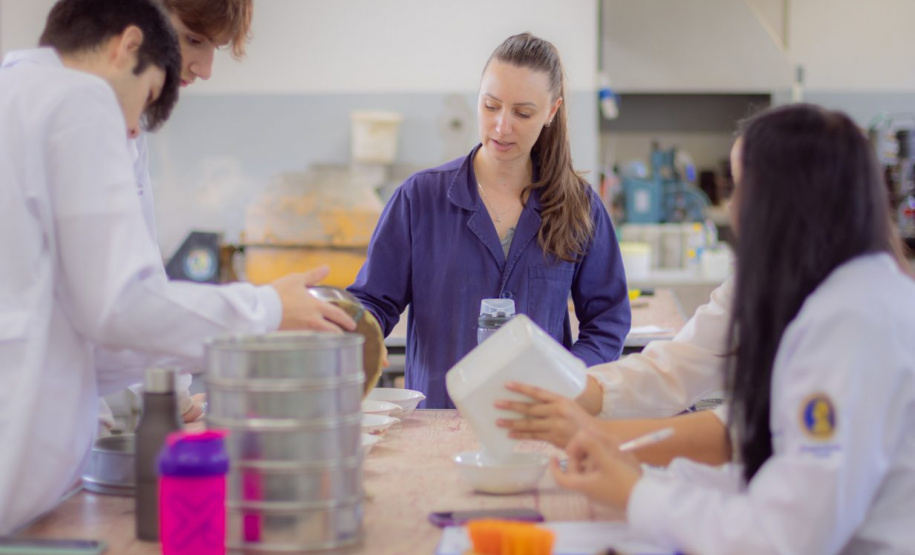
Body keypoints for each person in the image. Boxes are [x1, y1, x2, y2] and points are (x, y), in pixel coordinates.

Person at [0, 0, 351, 533]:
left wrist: (175, 387)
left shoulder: (23, 91)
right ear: (129, 45)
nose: (135, 133)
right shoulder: (80, 100)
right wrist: (267, 308)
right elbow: (119, 306)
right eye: (145, 97)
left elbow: (76, 320)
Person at [550, 104, 915, 554]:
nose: (735, 207)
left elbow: (785, 537)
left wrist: (637, 493)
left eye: (743, 189)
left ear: (785, 199)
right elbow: (772, 452)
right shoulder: (832, 289)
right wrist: (639, 470)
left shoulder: (851, 324)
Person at [347, 33, 631, 409]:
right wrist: (359, 335)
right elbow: (373, 300)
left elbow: (607, 319)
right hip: (437, 423)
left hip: (538, 426)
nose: (501, 126)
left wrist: (568, 379)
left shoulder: (578, 207)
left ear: (551, 111)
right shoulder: (420, 199)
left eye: (522, 113)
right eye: (491, 106)